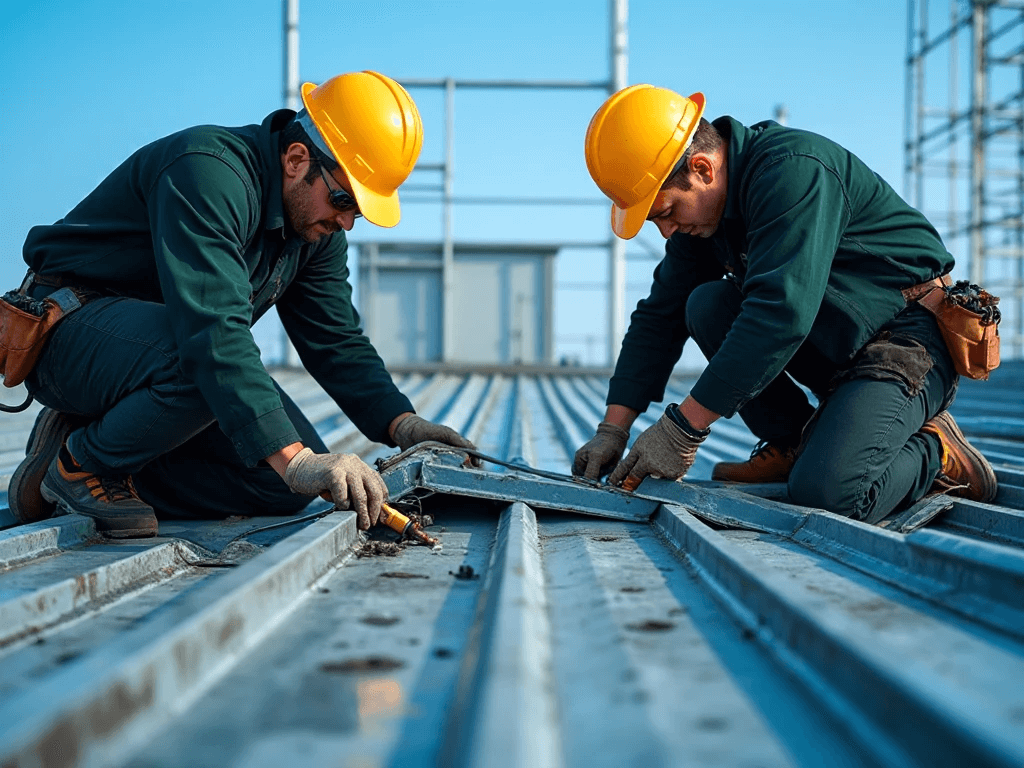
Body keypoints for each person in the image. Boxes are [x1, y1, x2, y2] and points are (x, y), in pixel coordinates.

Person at [9, 71, 477, 538]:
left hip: (165, 355)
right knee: (225, 389)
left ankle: (78, 452)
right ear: (297, 159)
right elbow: (212, 332)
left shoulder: (314, 231)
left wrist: (402, 423)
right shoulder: (207, 172)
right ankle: (84, 465)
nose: (347, 221)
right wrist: (293, 459)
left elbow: (336, 341)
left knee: (283, 485)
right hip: (69, 332)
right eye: (343, 199)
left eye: (358, 211)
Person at [572, 85, 997, 524]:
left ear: (701, 169)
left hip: (907, 340)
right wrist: (613, 428)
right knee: (706, 304)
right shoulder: (704, 215)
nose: (664, 231)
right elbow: (659, 316)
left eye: (664, 212)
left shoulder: (791, 172)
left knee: (833, 495)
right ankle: (796, 444)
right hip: (839, 335)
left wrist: (682, 429)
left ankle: (936, 450)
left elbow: (779, 315)